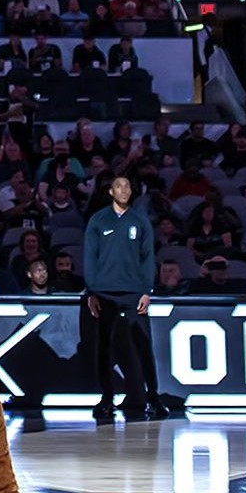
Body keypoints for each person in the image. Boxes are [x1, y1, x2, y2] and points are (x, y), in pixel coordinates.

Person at [83, 176, 162, 419]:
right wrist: (92, 291)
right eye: (118, 186)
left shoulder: (140, 221)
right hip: (105, 293)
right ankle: (107, 398)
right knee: (104, 347)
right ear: (110, 191)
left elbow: (148, 257)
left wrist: (147, 290)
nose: (124, 190)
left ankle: (153, 398)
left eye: (128, 186)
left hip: (134, 293)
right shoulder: (98, 220)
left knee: (143, 346)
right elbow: (90, 256)